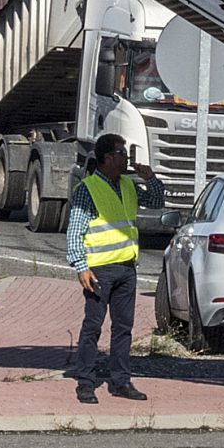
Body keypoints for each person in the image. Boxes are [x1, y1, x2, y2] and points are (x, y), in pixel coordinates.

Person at [64, 134, 149, 404]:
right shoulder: (88, 189)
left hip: (126, 268)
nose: (127, 159)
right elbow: (75, 231)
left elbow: (156, 201)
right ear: (108, 158)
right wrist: (81, 267)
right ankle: (85, 383)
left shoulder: (128, 185)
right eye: (122, 154)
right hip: (99, 270)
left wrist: (150, 178)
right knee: (93, 327)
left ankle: (121, 381)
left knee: (123, 328)